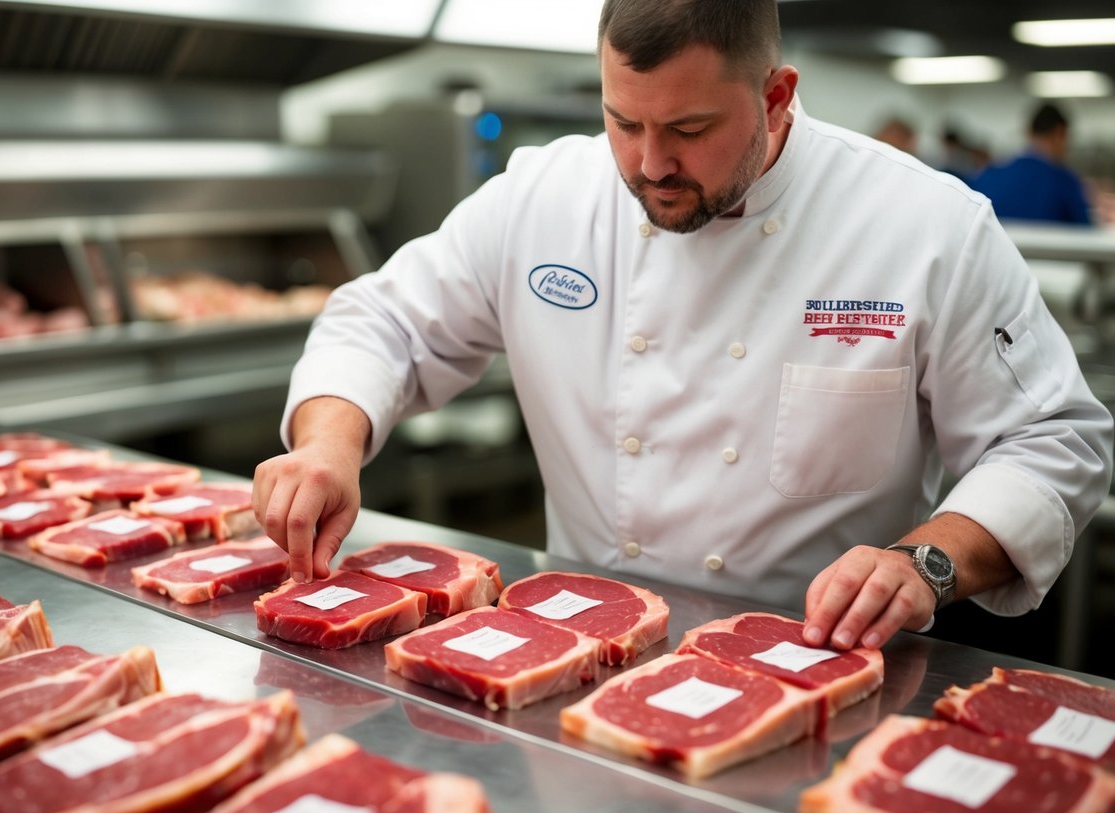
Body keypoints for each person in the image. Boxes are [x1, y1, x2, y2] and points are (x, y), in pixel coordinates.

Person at [253, 0, 1112, 654]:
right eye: (623, 122)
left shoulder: (925, 226)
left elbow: (1049, 442)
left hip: (813, 661)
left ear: (776, 98)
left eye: (689, 129)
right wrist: (329, 446)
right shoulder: (544, 197)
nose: (649, 164)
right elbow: (385, 319)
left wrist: (923, 563)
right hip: (571, 649)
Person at [970, 103, 1094, 225]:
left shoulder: (988, 176)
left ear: (1029, 132)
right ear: (1059, 133)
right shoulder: (1064, 183)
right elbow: (1085, 236)